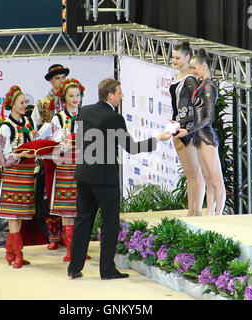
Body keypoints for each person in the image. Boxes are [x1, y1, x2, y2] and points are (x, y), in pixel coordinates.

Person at [67, 79, 173, 280]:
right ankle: (106, 270)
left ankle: (74, 267)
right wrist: (158, 138)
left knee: (82, 220)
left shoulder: (84, 111)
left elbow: (80, 141)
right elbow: (131, 148)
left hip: (83, 174)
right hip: (105, 178)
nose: (122, 95)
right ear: (110, 95)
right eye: (119, 92)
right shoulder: (114, 118)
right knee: (109, 224)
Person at [174, 49, 226, 216]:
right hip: (198, 138)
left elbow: (208, 118)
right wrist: (183, 126)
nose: (193, 71)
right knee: (208, 180)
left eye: (195, 67)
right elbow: (195, 114)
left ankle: (218, 216)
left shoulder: (209, 86)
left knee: (216, 180)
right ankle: (210, 214)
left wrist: (188, 130)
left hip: (207, 137)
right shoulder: (202, 85)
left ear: (203, 67)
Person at [0, 85, 39, 268]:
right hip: (14, 175)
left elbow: (36, 144)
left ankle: (10, 252)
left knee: (20, 216)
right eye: (21, 102)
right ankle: (18, 254)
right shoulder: (5, 127)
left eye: (26, 102)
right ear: (12, 105)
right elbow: (4, 159)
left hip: (27, 175)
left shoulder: (29, 123)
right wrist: (21, 155)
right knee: (14, 216)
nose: (25, 105)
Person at [49, 78, 91, 262]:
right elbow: (54, 144)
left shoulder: (87, 115)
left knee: (82, 207)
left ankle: (80, 248)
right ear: (64, 97)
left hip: (83, 164)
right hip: (66, 166)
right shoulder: (58, 118)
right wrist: (66, 143)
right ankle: (70, 250)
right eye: (71, 95)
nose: (75, 99)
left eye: (77, 95)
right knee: (67, 209)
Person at [32, 64, 70, 250]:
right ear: (50, 81)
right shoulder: (41, 104)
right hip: (50, 158)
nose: (61, 81)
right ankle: (54, 236)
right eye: (58, 78)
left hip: (70, 158)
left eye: (63, 77)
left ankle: (68, 236)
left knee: (69, 194)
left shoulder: (72, 102)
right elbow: (35, 132)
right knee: (51, 192)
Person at [170, 42, 206, 217]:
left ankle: (197, 211)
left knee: (195, 172)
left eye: (177, 58)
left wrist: (190, 129)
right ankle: (191, 210)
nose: (173, 60)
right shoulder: (177, 76)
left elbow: (198, 105)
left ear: (187, 58)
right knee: (189, 174)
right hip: (177, 128)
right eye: (173, 57)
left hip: (188, 131)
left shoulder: (190, 79)